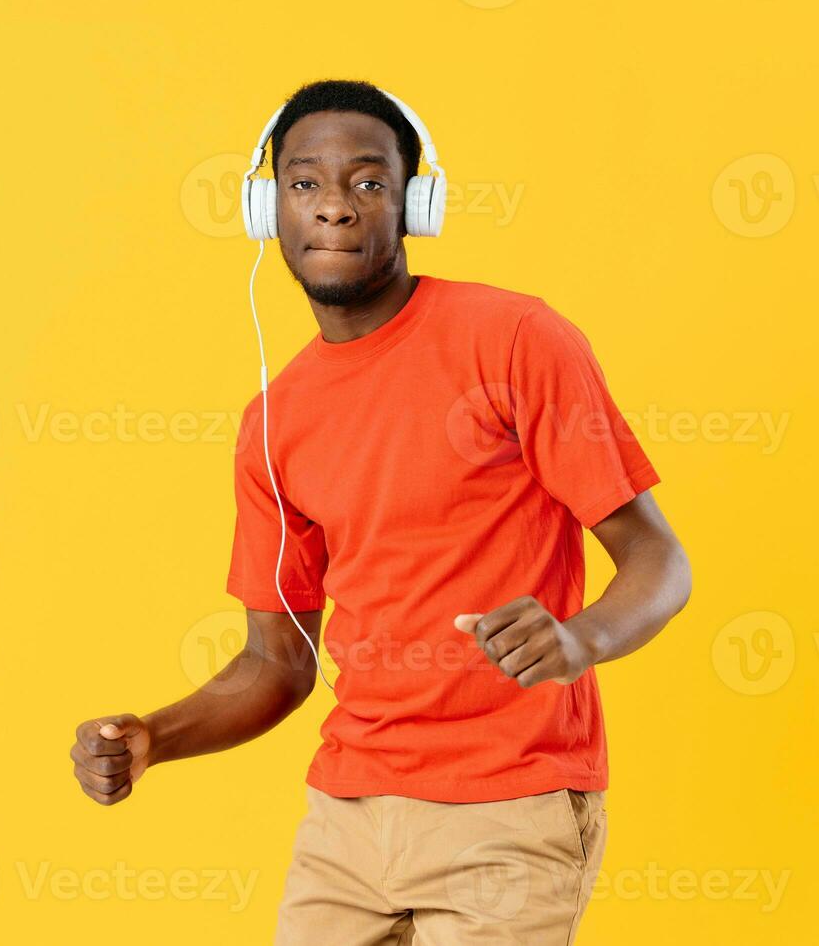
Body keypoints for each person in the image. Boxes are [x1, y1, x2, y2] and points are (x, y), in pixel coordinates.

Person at [69, 79, 692, 944]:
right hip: (346, 821)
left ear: (413, 206)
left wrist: (579, 638)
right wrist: (153, 737)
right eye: (304, 184)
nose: (334, 207)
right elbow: (275, 664)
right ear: (267, 209)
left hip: (507, 809)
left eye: (367, 182)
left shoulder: (514, 339)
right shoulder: (273, 422)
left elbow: (661, 562)